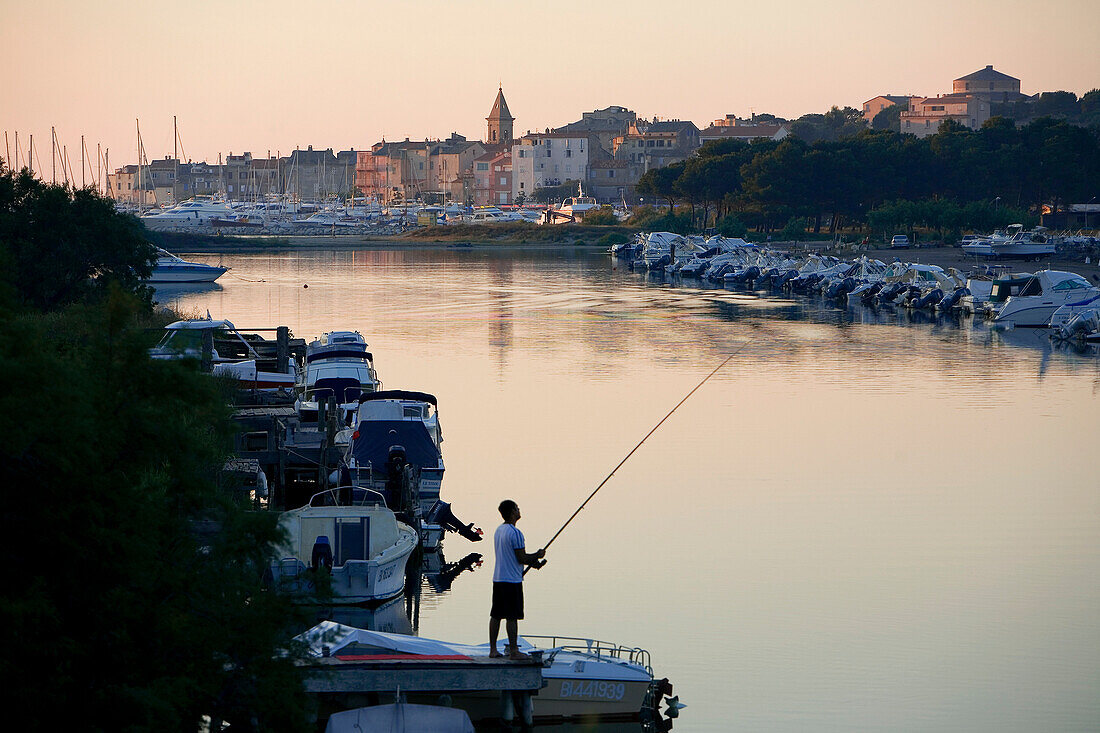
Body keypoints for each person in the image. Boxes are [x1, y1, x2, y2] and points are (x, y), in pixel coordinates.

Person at [489, 499, 545, 660]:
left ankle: (493, 650)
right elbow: (522, 558)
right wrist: (538, 555)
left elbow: (513, 557)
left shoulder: (499, 530)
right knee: (512, 617)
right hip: (512, 581)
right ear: (513, 511)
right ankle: (514, 651)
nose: (519, 510)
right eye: (517, 508)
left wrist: (534, 563)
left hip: (498, 578)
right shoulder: (515, 533)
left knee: (496, 615)